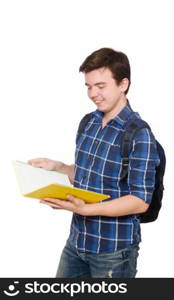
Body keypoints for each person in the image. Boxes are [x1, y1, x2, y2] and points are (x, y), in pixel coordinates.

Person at [29, 47, 160, 278]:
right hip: (77, 243)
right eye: (89, 86)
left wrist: (86, 209)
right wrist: (59, 167)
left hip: (113, 251)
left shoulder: (139, 134)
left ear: (123, 84)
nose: (93, 94)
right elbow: (89, 174)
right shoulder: (88, 123)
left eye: (101, 86)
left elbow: (140, 201)